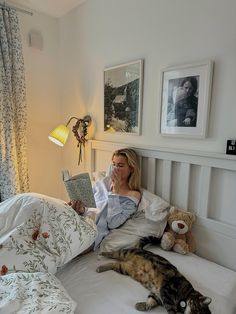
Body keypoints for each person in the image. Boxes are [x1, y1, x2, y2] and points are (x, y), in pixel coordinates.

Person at [69, 148, 141, 250]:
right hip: (80, 220)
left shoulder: (132, 196)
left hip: (92, 232)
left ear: (131, 168)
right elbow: (90, 205)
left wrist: (115, 192)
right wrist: (80, 209)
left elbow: (113, 223)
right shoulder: (103, 182)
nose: (115, 169)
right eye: (114, 164)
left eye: (120, 166)